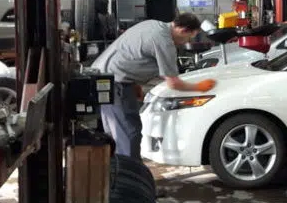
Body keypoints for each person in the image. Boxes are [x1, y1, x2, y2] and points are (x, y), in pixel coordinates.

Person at [92, 13, 217, 160]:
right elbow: (173, 83)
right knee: (128, 133)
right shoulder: (165, 42)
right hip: (115, 83)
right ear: (183, 31)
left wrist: (134, 83)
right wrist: (200, 87)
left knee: (115, 134)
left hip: (103, 77)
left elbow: (134, 52)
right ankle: (129, 177)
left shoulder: (153, 23)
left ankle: (115, 173)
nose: (186, 42)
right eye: (189, 38)